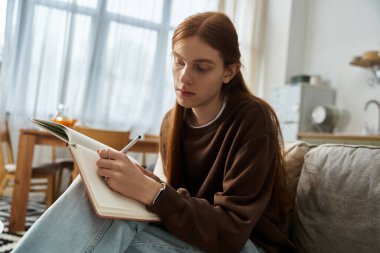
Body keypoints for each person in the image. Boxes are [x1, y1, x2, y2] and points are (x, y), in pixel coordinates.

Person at [12, 12, 295, 253]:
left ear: (229, 72)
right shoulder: (172, 121)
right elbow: (175, 201)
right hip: (195, 236)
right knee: (98, 195)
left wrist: (153, 192)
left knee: (116, 223)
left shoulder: (253, 119)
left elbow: (233, 231)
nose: (184, 76)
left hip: (243, 246)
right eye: (179, 61)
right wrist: (142, 186)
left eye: (201, 67)